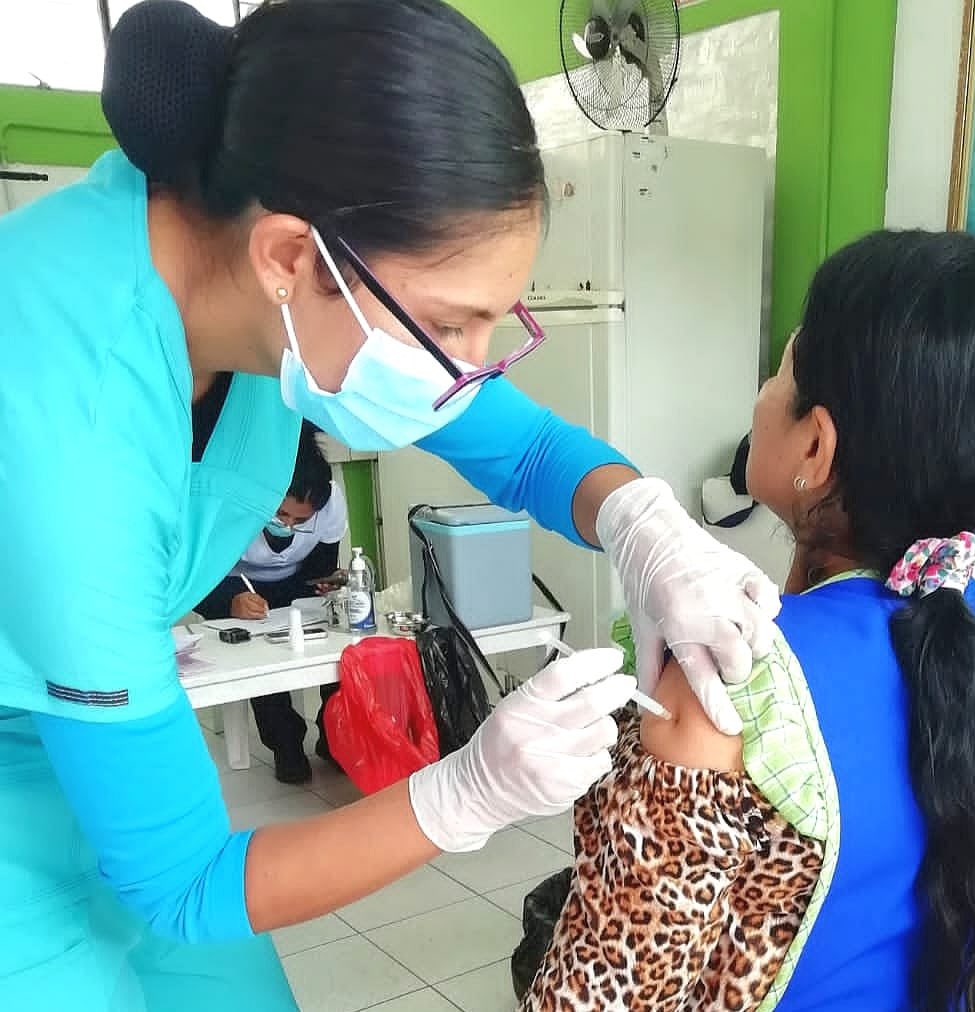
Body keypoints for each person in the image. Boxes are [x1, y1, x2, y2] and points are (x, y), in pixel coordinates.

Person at [0, 3, 781, 1009]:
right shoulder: (66, 425)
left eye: (495, 323)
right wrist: (466, 792)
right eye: (453, 324)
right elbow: (189, 881)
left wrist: (651, 531)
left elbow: (534, 446)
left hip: (82, 713)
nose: (472, 365)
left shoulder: (252, 263)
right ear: (289, 258)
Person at [521, 231, 975, 1012]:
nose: (763, 394)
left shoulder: (726, 688)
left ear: (816, 442)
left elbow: (601, 997)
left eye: (780, 373)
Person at [193, 422, 347, 784]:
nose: (289, 525)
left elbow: (320, 571)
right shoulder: (231, 502)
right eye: (281, 514)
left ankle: (335, 737)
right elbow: (198, 577)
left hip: (296, 582)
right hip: (232, 584)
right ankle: (286, 745)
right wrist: (231, 601)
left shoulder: (330, 504)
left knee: (336, 646)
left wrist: (323, 590)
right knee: (258, 656)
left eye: (300, 520)